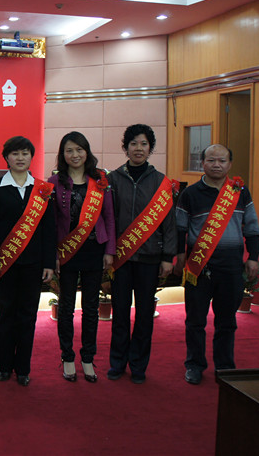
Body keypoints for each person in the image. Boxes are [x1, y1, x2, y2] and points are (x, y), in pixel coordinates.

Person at [176, 144, 259, 385]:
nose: (216, 165)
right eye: (211, 160)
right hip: (199, 267)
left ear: (229, 164)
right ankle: (194, 365)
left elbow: (251, 226)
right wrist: (179, 257)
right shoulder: (190, 194)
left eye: (222, 161)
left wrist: (253, 256)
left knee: (227, 321)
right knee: (195, 321)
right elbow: (179, 228)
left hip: (231, 267)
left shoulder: (239, 192)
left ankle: (224, 366)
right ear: (202, 163)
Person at [106, 124, 177, 384]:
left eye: (144, 144)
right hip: (121, 260)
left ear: (150, 148)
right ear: (126, 148)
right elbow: (108, 219)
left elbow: (169, 223)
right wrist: (108, 251)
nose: (138, 148)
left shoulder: (161, 182)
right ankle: (117, 363)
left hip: (150, 258)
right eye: (133, 143)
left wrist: (168, 256)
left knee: (145, 315)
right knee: (120, 313)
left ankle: (138, 365)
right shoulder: (113, 180)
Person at [0, 136, 56, 387]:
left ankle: (23, 368)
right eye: (15, 153)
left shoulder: (43, 190)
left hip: (34, 265)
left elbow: (49, 230)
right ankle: (4, 367)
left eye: (25, 153)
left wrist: (49, 263)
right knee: (5, 317)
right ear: (7, 158)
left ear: (31, 157)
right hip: (5, 265)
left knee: (28, 317)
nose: (20, 158)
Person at [48, 131, 115, 383]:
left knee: (90, 308)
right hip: (66, 251)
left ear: (87, 152)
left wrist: (109, 250)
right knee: (66, 308)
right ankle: (67, 356)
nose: (74, 155)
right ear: (62, 154)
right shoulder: (54, 182)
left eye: (79, 149)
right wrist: (53, 254)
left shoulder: (100, 180)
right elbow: (51, 223)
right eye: (69, 150)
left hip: (94, 250)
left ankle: (87, 357)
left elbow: (109, 217)